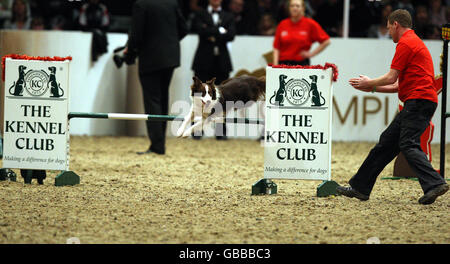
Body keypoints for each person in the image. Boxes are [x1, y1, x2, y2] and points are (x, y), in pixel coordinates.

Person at [339, 9, 449, 205]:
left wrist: (370, 83)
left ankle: (435, 183)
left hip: (418, 101)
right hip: (420, 100)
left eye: (389, 27)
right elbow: (398, 85)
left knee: (408, 144)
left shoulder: (405, 43)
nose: (388, 31)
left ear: (396, 24)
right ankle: (360, 187)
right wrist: (372, 89)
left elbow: (391, 77)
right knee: (386, 144)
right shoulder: (414, 41)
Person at [126, 0, 188, 155]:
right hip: (170, 57)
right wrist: (168, 42)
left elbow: (136, 35)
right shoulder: (172, 3)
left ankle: (157, 145)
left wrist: (131, 53)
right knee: (162, 98)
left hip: (150, 57)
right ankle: (160, 143)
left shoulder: (141, 4)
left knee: (152, 100)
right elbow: (184, 29)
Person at [191, 0, 236, 140]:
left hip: (221, 62)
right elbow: (200, 31)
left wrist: (210, 32)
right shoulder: (200, 14)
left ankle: (220, 131)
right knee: (199, 96)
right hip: (203, 61)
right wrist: (220, 31)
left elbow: (231, 35)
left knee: (222, 97)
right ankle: (197, 129)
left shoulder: (228, 16)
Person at [272, 0, 330, 66]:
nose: (294, 8)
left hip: (301, 63)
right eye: (292, 6)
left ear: (303, 8)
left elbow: (326, 41)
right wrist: (275, 65)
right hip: (283, 63)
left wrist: (311, 54)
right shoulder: (282, 24)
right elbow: (276, 47)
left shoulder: (310, 24)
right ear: (289, 8)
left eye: (297, 6)